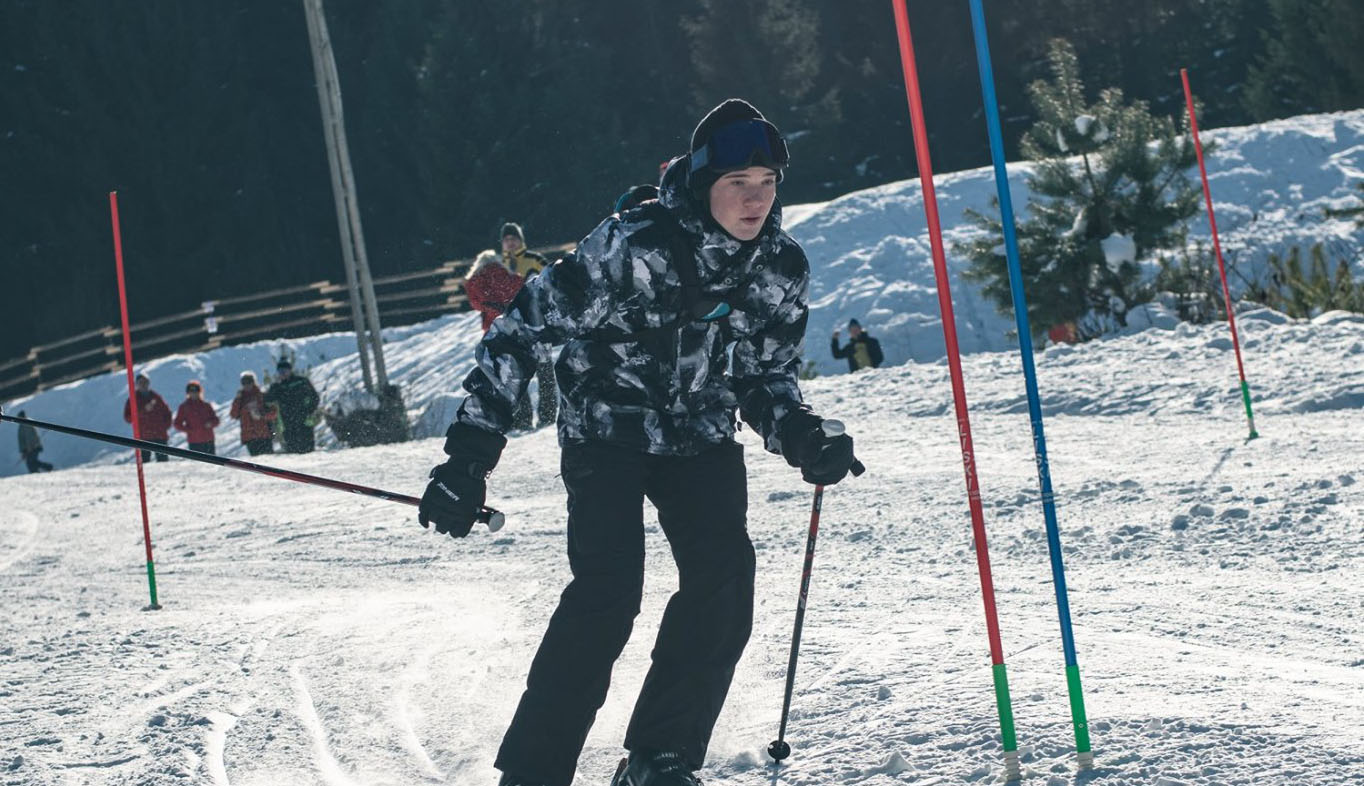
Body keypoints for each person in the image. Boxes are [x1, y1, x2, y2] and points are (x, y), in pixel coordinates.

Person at [419, 99, 861, 786]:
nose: (755, 199)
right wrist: (468, 458)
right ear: (703, 182)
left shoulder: (780, 267)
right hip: (607, 432)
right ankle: (535, 769)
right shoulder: (633, 245)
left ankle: (661, 756)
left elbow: (763, 376)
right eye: (738, 183)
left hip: (702, 435)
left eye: (767, 183)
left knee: (723, 580)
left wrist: (802, 433)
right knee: (608, 591)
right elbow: (522, 331)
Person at [500, 222, 558, 431]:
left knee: (543, 369)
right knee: (516, 371)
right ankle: (522, 418)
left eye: (514, 239)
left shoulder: (533, 260)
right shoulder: (499, 266)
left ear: (521, 240)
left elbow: (552, 282)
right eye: (507, 240)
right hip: (512, 327)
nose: (511, 243)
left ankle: (548, 415)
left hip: (537, 324)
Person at [264, 359, 320, 454]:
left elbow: (315, 397)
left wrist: (309, 410)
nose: (282, 374)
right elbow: (267, 401)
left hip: (304, 422)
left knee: (309, 452)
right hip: (288, 425)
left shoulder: (301, 382)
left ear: (290, 370)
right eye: (280, 372)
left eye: (284, 371)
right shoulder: (278, 387)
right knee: (293, 452)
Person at [465, 250, 527, 334]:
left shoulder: (474, 280)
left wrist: (490, 308)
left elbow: (475, 303)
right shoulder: (509, 275)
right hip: (515, 318)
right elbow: (522, 289)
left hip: (492, 323)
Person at [123, 373, 173, 462]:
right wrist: (143, 411)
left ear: (149, 383)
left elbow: (167, 412)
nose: (143, 384)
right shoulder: (132, 399)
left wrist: (165, 426)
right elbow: (128, 418)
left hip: (160, 435)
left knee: (164, 463)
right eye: (140, 382)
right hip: (143, 436)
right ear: (137, 384)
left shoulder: (156, 397)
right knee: (145, 464)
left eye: (145, 382)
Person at [230, 371, 276, 456]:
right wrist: (237, 400)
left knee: (269, 461)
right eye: (244, 383)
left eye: (249, 382)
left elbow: (274, 413)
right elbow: (234, 415)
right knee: (256, 464)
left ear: (253, 382)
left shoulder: (262, 395)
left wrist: (262, 415)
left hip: (264, 435)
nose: (246, 385)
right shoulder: (240, 399)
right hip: (249, 437)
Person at [173, 379, 220, 455]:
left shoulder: (206, 405)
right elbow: (177, 423)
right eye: (191, 391)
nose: (194, 393)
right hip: (194, 442)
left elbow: (216, 420)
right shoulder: (184, 407)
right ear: (188, 393)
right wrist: (189, 430)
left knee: (211, 465)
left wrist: (210, 423)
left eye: (196, 391)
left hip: (208, 440)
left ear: (200, 392)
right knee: (198, 464)